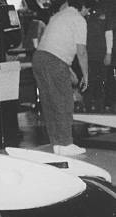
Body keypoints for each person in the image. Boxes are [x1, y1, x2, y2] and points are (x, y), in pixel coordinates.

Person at [32, 0, 90, 156]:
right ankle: (65, 143)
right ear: (83, 7)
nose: (87, 13)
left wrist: (68, 69)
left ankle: (57, 144)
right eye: (87, 10)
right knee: (64, 101)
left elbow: (55, 45)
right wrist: (86, 74)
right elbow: (81, 51)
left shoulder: (58, 16)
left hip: (39, 58)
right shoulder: (79, 19)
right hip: (54, 60)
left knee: (50, 102)